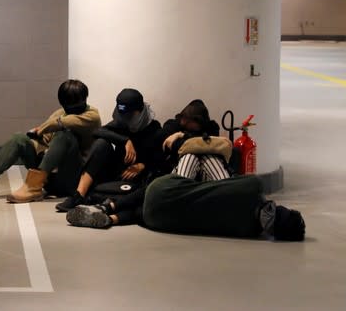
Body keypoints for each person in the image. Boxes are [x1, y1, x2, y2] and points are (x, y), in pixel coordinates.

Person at [66, 98, 231, 228]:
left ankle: (108, 211)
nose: (183, 124)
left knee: (199, 155)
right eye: (183, 120)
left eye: (188, 122)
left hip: (198, 181)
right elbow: (167, 146)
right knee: (148, 199)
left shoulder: (209, 128)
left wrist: (181, 136)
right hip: (176, 176)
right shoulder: (171, 125)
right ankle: (106, 216)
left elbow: (213, 146)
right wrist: (126, 141)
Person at [0, 79, 101, 203]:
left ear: (85, 99)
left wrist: (41, 129)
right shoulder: (60, 113)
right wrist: (36, 138)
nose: (72, 108)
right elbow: (46, 138)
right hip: (50, 178)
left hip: (74, 179)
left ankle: (32, 188)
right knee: (19, 139)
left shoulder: (92, 115)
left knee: (65, 135)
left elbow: (64, 122)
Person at [55, 88, 162, 212]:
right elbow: (98, 131)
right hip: (115, 171)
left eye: (130, 116)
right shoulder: (122, 123)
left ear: (140, 111)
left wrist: (143, 165)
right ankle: (79, 195)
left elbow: (160, 159)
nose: (126, 120)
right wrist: (125, 140)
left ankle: (101, 201)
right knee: (102, 143)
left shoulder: (154, 128)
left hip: (135, 177)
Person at [142, 174, 305, 241]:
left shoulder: (254, 185)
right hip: (155, 220)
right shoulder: (248, 232)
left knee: (199, 161)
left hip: (161, 187)